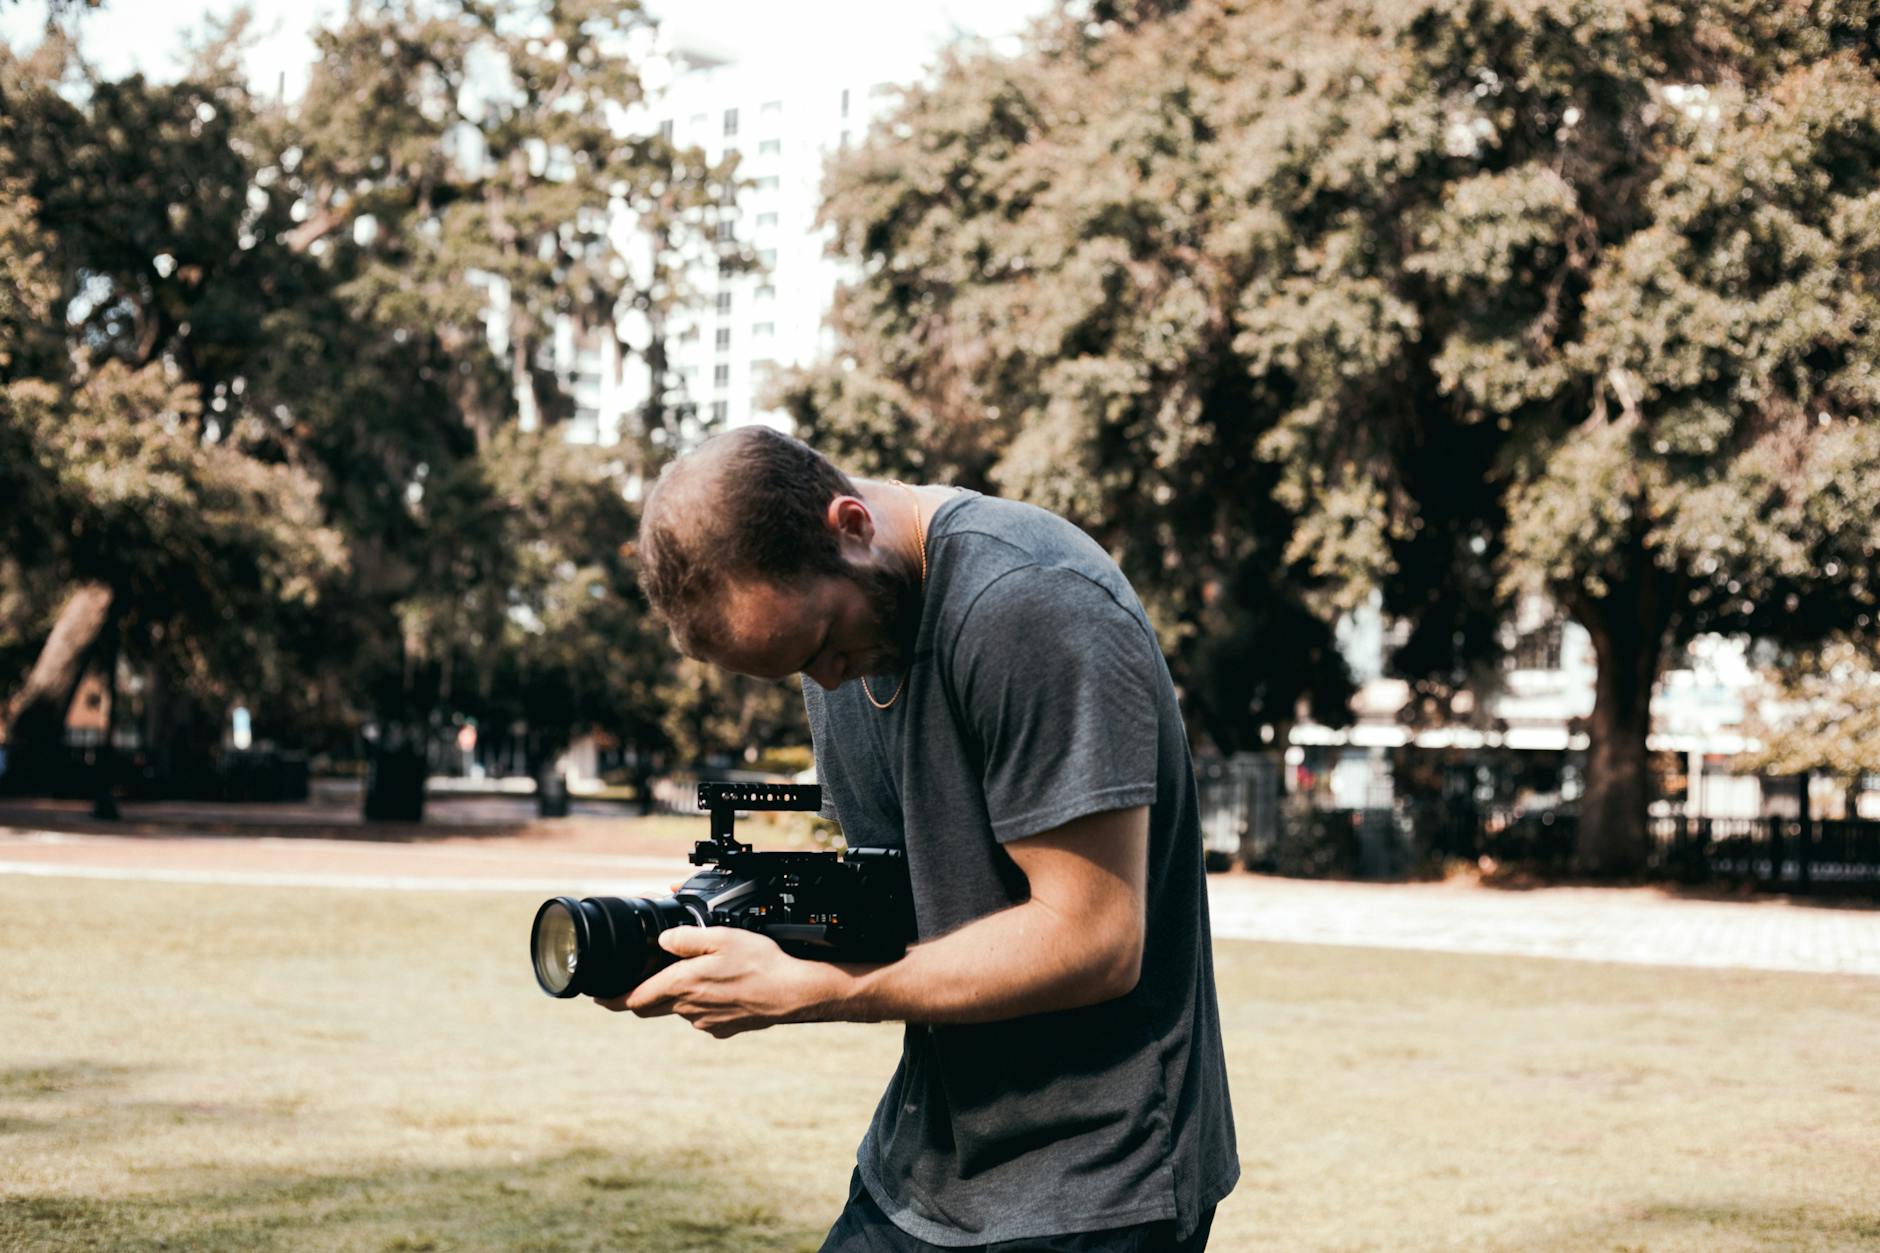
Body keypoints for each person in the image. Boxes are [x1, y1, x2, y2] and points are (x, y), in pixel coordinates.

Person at [610, 426, 1237, 1251]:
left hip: (1097, 1180)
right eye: (794, 668)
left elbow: (1094, 937)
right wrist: (734, 931)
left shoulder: (1030, 601)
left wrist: (816, 991)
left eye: (825, 645)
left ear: (851, 525)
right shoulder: (839, 634)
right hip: (925, 1162)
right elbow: (913, 900)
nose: (828, 678)